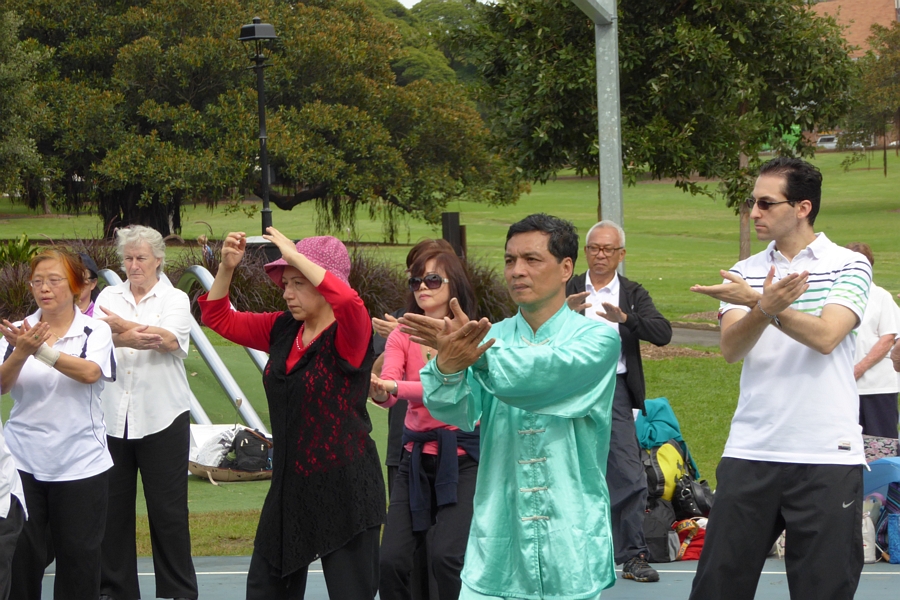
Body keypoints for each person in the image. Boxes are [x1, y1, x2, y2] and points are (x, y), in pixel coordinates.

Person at [400, 213, 621, 600]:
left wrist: (477, 356)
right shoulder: (491, 336)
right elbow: (456, 410)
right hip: (499, 538)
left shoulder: (597, 340)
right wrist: (448, 367)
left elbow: (543, 375)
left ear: (566, 267)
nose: (517, 271)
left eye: (531, 260)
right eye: (509, 260)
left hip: (568, 537)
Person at [689, 157, 871, 600]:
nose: (754, 212)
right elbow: (732, 348)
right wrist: (763, 304)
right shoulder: (744, 268)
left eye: (767, 203)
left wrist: (757, 301)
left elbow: (827, 336)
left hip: (827, 456)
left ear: (803, 207)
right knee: (717, 589)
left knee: (822, 591)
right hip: (750, 451)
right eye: (753, 202)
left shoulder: (850, 265)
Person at [199, 228, 384, 600]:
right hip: (289, 488)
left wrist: (296, 255)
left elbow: (349, 303)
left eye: (298, 283)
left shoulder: (351, 334)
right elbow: (219, 318)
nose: (286, 293)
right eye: (285, 283)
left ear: (324, 284)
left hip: (346, 488)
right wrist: (226, 269)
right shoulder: (282, 328)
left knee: (352, 593)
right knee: (265, 591)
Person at [0, 249, 116, 600]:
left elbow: (91, 373)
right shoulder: (18, 332)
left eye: (54, 281)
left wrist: (41, 351)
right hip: (24, 464)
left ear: (78, 286)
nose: (44, 289)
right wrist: (21, 350)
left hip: (81, 463)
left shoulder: (94, 330)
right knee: (22, 563)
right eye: (37, 281)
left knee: (79, 563)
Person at [94, 225, 198, 600]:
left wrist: (121, 329)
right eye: (128, 258)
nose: (133, 265)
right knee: (113, 512)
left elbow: (169, 340)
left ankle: (178, 593)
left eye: (140, 258)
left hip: (164, 417)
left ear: (158, 259)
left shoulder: (175, 299)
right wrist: (131, 334)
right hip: (111, 418)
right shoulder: (109, 293)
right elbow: (97, 336)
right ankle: (115, 591)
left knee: (168, 514)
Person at [565, 220, 671, 582]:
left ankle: (633, 555)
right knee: (568, 469)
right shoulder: (567, 288)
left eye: (608, 249)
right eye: (594, 248)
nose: (600, 255)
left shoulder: (632, 292)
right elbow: (529, 326)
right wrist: (564, 313)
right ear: (585, 252)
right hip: (568, 388)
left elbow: (663, 333)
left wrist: (625, 318)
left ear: (621, 254)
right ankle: (570, 554)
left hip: (614, 389)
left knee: (627, 469)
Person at [372, 248, 479, 600]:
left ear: (453, 286)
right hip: (414, 459)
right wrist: (379, 393)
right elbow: (389, 390)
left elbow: (441, 388)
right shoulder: (402, 332)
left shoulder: (466, 333)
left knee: (447, 557)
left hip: (462, 459)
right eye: (416, 280)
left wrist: (394, 388)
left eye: (433, 280)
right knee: (391, 560)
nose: (423, 287)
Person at [844, 243, 899, 439]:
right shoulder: (835, 297)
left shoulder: (880, 296)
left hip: (877, 387)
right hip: (843, 387)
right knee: (846, 442)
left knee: (881, 443)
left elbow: (888, 338)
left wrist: (859, 368)